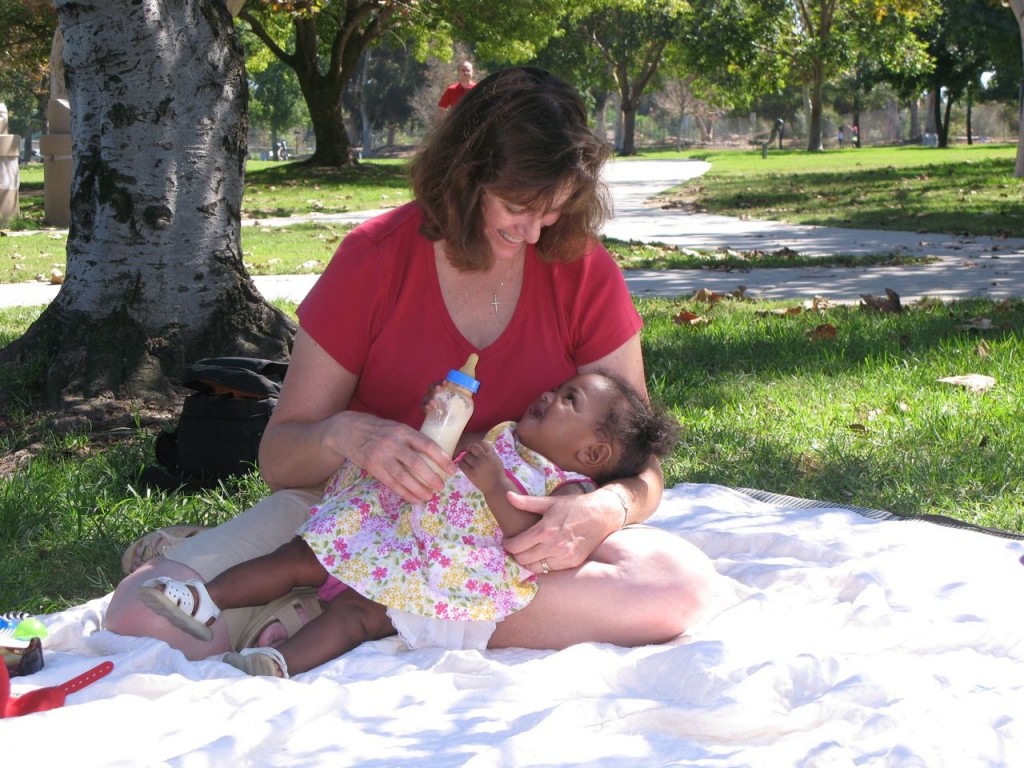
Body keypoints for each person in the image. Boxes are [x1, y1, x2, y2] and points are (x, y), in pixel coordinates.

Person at [105, 66, 714, 661]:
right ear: (465, 177)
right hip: (358, 510)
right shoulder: (374, 260)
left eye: (553, 209)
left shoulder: (584, 272)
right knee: (140, 618)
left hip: (501, 540)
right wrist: (352, 435)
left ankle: (368, 612)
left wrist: (606, 508)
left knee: (674, 587)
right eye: (517, 207)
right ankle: (364, 604)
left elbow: (639, 460)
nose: (534, 232)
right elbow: (280, 457)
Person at [135, 372, 681, 677]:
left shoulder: (565, 487)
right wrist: (444, 415)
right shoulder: (507, 435)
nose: (546, 393)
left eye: (568, 399)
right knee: (298, 558)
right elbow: (444, 454)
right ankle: (202, 598)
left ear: (591, 452)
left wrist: (495, 486)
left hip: (428, 570)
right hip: (389, 527)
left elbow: (521, 536)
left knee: (355, 616)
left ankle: (279, 663)